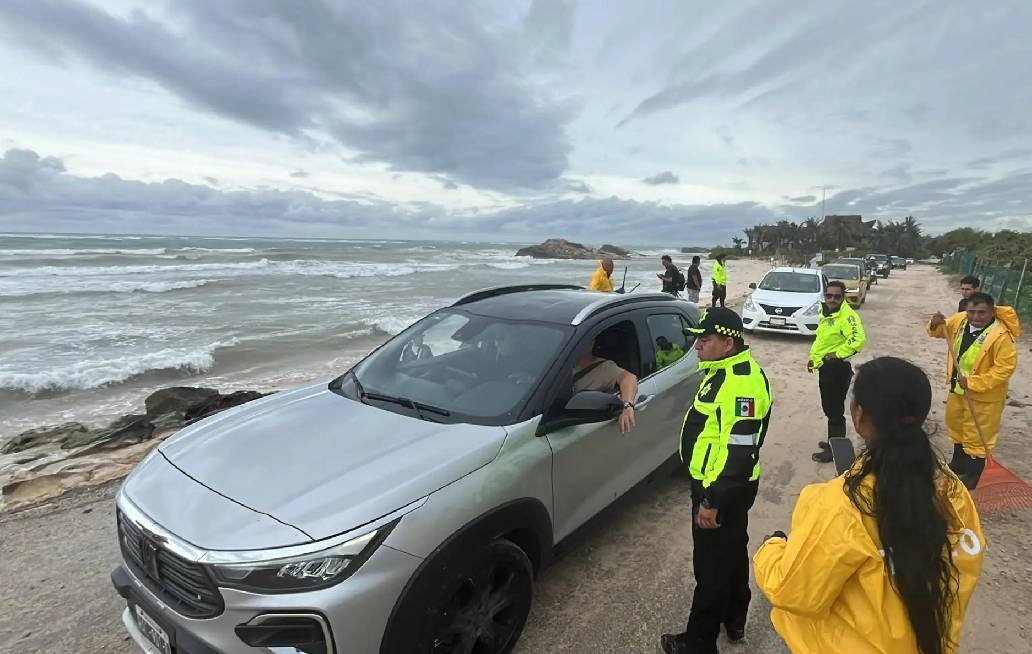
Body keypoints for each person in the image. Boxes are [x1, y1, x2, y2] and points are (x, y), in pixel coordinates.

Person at [753, 357, 984, 654]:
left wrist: (770, 549)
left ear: (859, 416)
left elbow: (795, 593)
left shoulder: (842, 504)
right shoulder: (953, 492)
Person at [661, 308, 772, 654]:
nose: (697, 345)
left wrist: (712, 501)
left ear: (728, 342)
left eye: (704, 340)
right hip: (719, 485)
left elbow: (740, 454)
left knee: (710, 570)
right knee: (733, 552)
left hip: (721, 490)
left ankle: (698, 644)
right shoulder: (721, 371)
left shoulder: (742, 383)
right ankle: (734, 619)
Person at [928, 292, 1019, 488]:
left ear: (992, 312)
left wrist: (974, 382)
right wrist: (935, 323)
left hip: (985, 396)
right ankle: (958, 464)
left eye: (981, 313)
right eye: (972, 312)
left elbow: (1004, 369)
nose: (975, 317)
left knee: (977, 435)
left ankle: (973, 475)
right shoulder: (960, 321)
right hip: (958, 390)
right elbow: (938, 331)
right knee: (957, 427)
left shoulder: (1001, 336)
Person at [809, 280, 867, 463]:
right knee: (830, 409)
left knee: (834, 411)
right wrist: (815, 360)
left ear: (843, 297)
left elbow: (858, 339)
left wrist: (837, 354)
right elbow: (824, 341)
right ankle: (832, 442)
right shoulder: (827, 313)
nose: (832, 299)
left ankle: (835, 452)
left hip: (837, 368)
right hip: (826, 367)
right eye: (829, 295)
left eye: (837, 296)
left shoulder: (847, 316)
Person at [572, 338, 637, 433]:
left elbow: (629, 377)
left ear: (591, 344)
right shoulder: (565, 365)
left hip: (586, 423)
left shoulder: (604, 367)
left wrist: (627, 406)